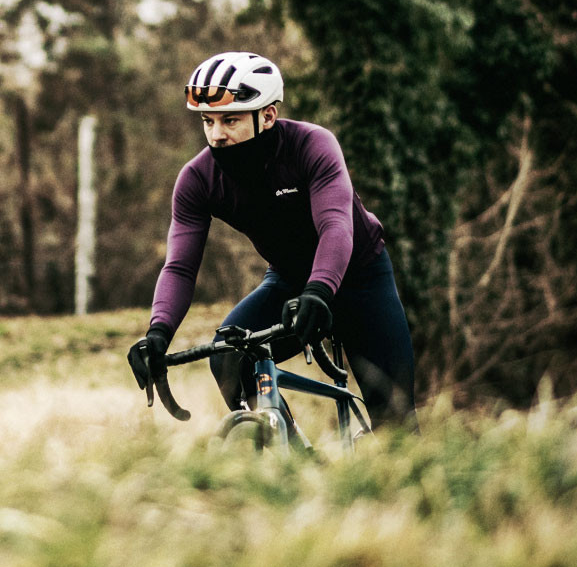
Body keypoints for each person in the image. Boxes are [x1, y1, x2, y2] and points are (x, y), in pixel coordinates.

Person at [130, 51, 416, 428]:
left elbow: (336, 227)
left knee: (396, 422)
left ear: (267, 115)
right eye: (208, 121)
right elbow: (180, 267)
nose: (216, 134)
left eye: (230, 120)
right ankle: (285, 449)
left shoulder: (312, 145)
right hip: (288, 281)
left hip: (360, 277)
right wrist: (158, 333)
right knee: (228, 357)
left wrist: (320, 290)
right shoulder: (198, 180)